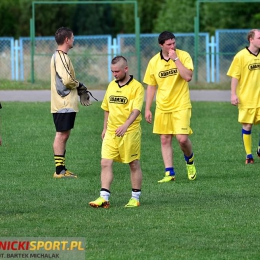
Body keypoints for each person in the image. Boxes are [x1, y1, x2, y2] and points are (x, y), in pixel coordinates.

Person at [89, 56, 144, 208]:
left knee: (133, 163)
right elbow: (106, 108)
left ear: (126, 69)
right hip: (112, 132)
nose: (114, 74)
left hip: (130, 131)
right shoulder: (111, 86)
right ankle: (103, 197)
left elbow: (136, 110)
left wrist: (126, 125)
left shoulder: (137, 87)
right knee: (105, 162)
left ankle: (135, 198)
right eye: (112, 71)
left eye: (117, 71)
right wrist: (105, 128)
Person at [143, 31, 197, 183]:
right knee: (165, 139)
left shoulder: (183, 56)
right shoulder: (154, 62)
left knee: (182, 139)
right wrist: (147, 108)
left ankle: (190, 161)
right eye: (169, 44)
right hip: (163, 106)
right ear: (161, 45)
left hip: (181, 104)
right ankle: (169, 173)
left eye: (174, 43)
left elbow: (188, 77)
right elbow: (151, 86)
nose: (172, 46)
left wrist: (176, 59)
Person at [51, 27, 90, 178]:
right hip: (63, 103)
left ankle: (61, 169)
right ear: (67, 40)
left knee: (64, 134)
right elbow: (67, 80)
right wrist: (80, 85)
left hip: (64, 103)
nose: (74, 40)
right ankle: (59, 171)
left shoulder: (61, 56)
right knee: (61, 134)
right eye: (72, 38)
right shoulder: (61, 56)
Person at [227, 29, 260, 164]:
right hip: (246, 98)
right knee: (247, 126)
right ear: (251, 39)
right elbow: (235, 76)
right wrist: (233, 94)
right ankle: (249, 155)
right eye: (259, 37)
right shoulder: (240, 56)